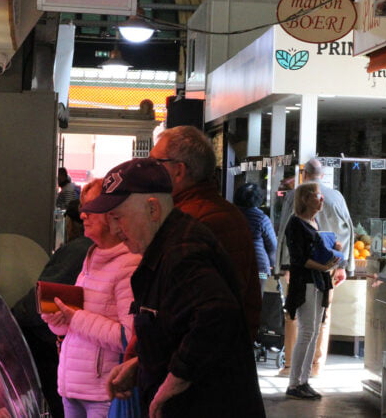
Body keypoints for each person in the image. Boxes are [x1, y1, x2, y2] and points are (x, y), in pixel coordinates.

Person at [86, 158, 265, 417]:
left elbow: (217, 314)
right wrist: (141, 364)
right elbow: (179, 326)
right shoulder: (167, 245)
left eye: (118, 217)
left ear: (152, 210)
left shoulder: (183, 251)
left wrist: (175, 379)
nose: (114, 229)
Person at [149, 125, 261, 338]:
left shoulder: (197, 220)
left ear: (179, 170)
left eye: (156, 163)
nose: (149, 169)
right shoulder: (197, 213)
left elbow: (208, 312)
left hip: (199, 361)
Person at [42, 179, 140, 418]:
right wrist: (58, 320)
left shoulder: (129, 264)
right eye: (83, 207)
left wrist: (75, 318)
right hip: (73, 385)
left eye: (92, 207)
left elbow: (128, 338)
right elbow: (78, 325)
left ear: (115, 214)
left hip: (103, 392)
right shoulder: (92, 256)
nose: (83, 214)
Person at [10, 200, 92, 418]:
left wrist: (10, 319)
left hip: (55, 349)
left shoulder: (80, 249)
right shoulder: (93, 249)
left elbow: (43, 300)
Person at [276, 157, 354, 377]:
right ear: (323, 174)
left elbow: (284, 233)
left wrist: (284, 266)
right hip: (328, 265)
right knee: (323, 315)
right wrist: (343, 264)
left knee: (294, 313)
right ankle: (316, 366)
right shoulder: (337, 197)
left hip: (300, 266)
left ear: (305, 173)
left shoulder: (296, 196)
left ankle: (291, 364)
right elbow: (348, 229)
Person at [283, 182, 339, 400]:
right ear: (305, 199)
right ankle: (294, 382)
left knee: (313, 332)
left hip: (317, 282)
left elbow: (317, 251)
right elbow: (299, 258)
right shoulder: (296, 224)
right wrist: (323, 266)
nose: (322, 199)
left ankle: (303, 380)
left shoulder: (314, 222)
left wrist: (334, 252)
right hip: (305, 282)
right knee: (307, 331)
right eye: (318, 196)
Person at [234, 182, 277, 278]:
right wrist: (272, 263)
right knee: (257, 292)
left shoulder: (230, 216)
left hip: (234, 266)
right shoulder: (261, 218)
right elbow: (273, 245)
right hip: (260, 267)